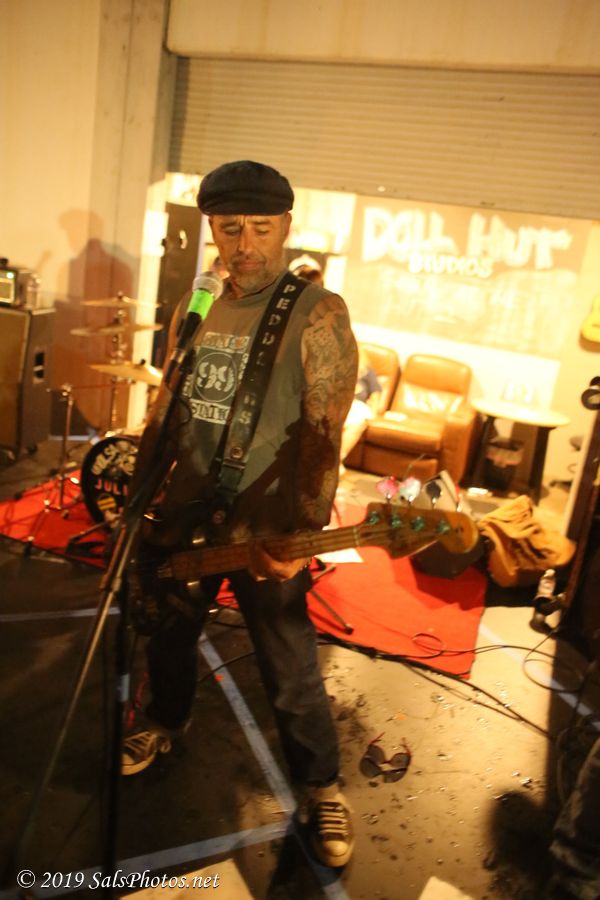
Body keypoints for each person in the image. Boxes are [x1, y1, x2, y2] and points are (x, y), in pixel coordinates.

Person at [121, 160, 358, 869]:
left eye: (260, 227)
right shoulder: (195, 306)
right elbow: (169, 406)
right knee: (169, 633)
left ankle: (322, 785)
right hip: (186, 509)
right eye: (230, 228)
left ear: (285, 225)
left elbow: (323, 432)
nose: (245, 243)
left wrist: (303, 535)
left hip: (265, 527)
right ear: (212, 230)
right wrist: (138, 503)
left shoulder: (319, 312)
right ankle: (165, 720)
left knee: (289, 663)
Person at [339, 345, 382, 471]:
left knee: (357, 421)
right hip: (341, 403)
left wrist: (374, 411)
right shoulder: (338, 369)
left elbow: (375, 393)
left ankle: (337, 459)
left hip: (357, 405)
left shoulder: (367, 371)